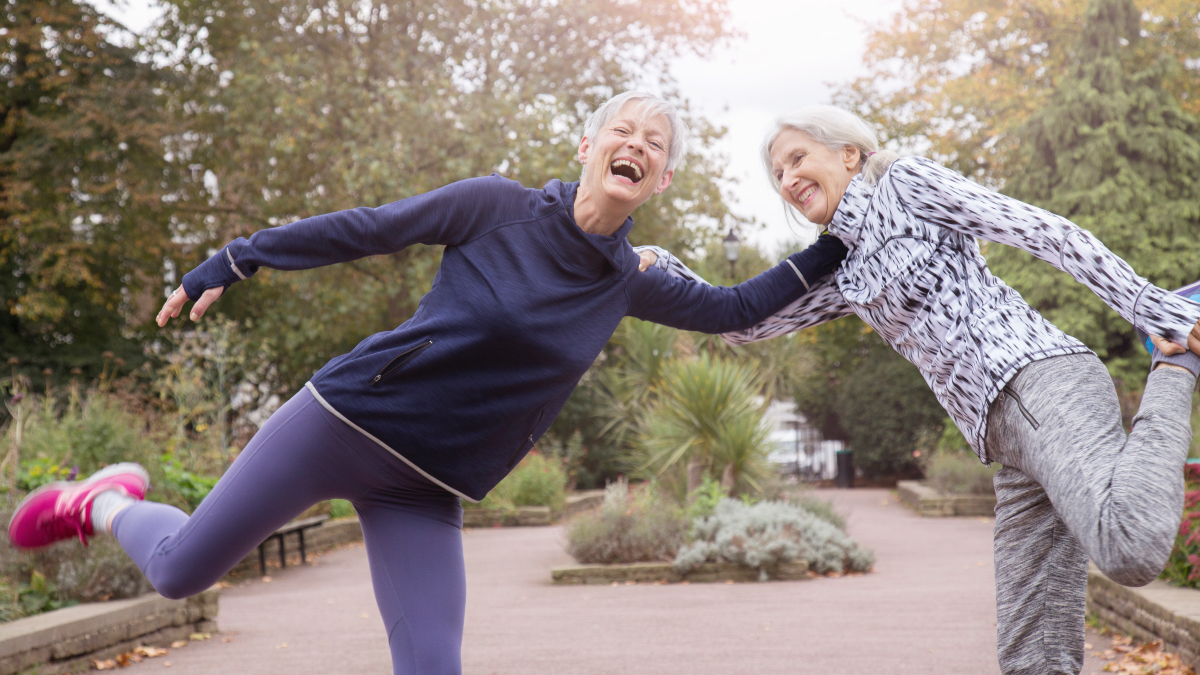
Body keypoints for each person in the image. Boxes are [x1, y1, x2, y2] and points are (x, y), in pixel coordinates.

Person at [7, 92, 847, 675]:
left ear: (661, 181)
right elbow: (369, 230)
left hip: (426, 484)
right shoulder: (494, 206)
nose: (637, 144)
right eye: (622, 130)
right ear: (587, 149)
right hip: (341, 420)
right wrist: (237, 256)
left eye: (655, 143)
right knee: (180, 573)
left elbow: (739, 304)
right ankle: (102, 501)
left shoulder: (629, 281)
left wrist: (842, 237)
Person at [638, 105, 1200, 675]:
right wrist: (660, 264)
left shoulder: (907, 186)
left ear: (848, 154)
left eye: (797, 158)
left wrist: (1157, 310)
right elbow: (743, 324)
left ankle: (1175, 367)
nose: (786, 179)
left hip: (1038, 377)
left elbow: (1043, 232)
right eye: (777, 173)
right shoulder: (842, 266)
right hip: (1003, 440)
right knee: (1034, 659)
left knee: (1128, 544)